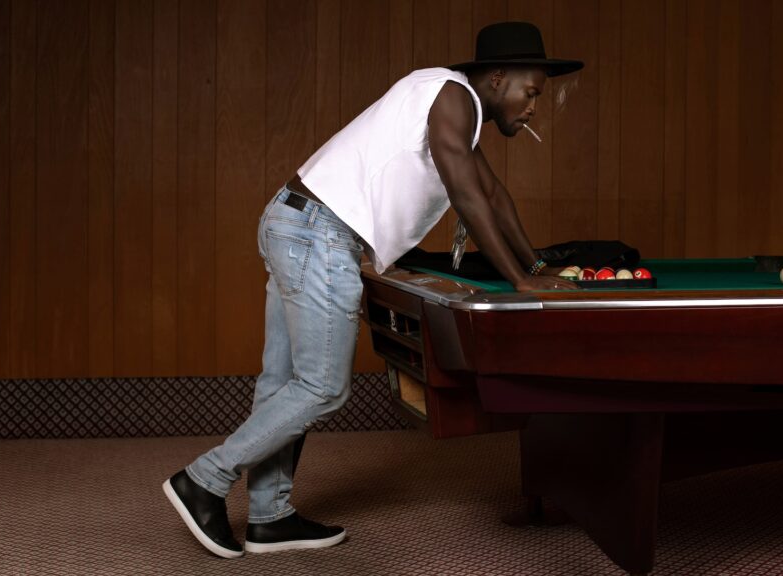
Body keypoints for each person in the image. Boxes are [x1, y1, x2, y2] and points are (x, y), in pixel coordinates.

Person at [162, 21, 584, 558]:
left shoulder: (453, 106)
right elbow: (467, 196)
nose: (531, 108)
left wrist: (539, 263)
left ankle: (269, 516)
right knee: (322, 386)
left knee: (285, 382)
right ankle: (203, 480)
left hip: (297, 222)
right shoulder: (451, 95)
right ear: (497, 78)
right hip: (321, 232)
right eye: (530, 92)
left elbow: (493, 195)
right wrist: (522, 281)